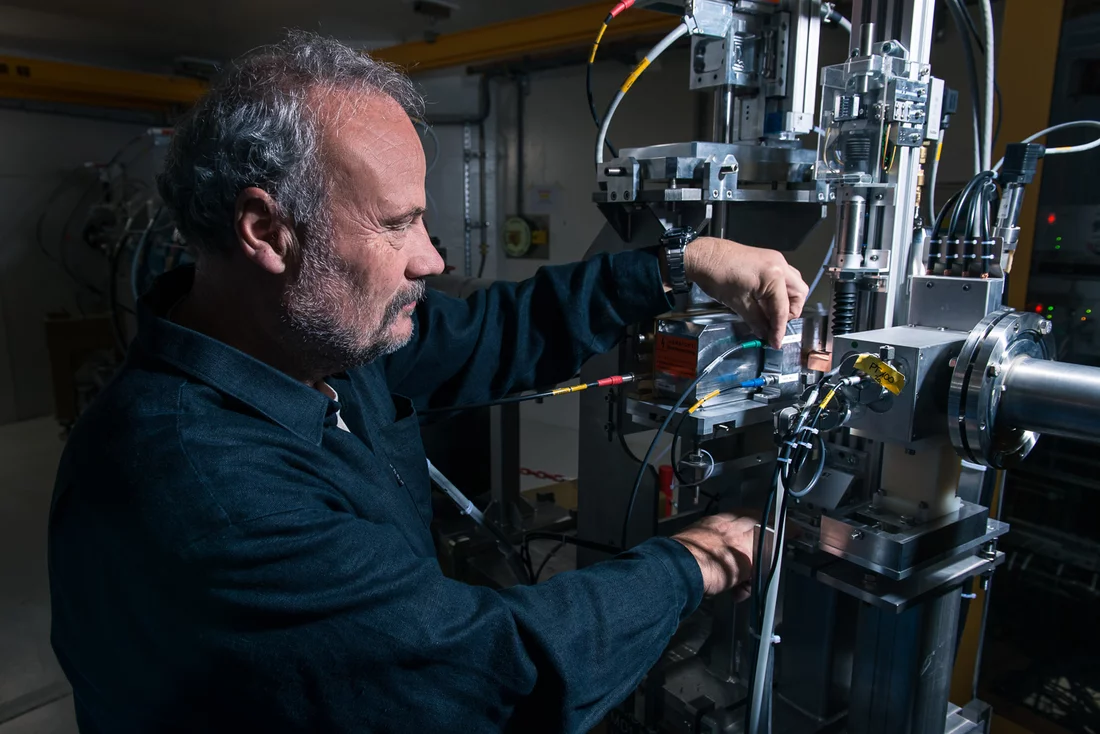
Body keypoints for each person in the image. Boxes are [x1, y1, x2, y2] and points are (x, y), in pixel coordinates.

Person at [48, 31, 808, 733]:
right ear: (267, 231)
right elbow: (483, 676)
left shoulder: (320, 344)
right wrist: (696, 560)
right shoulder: (200, 483)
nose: (431, 259)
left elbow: (499, 332)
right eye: (395, 223)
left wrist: (676, 267)